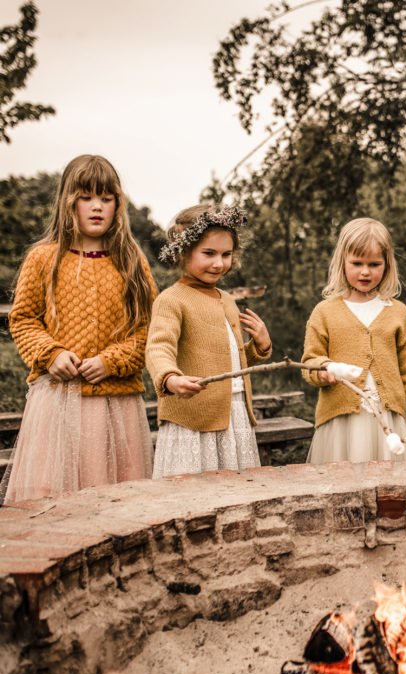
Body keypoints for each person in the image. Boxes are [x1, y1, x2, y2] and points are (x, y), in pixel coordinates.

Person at [2, 154, 157, 504]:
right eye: (86, 198)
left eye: (106, 198)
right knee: (52, 506)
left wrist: (112, 361)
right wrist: (50, 353)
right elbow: (23, 318)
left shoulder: (131, 258)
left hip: (117, 405)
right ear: (67, 202)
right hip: (58, 402)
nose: (97, 207)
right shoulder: (43, 258)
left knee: (118, 504)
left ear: (118, 203)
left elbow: (150, 328)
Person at [146, 205, 273, 477]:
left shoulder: (226, 300)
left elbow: (227, 358)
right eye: (209, 253)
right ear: (182, 251)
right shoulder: (172, 299)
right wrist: (170, 378)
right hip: (193, 419)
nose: (219, 263)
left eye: (226, 255)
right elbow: (159, 347)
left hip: (234, 414)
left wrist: (259, 347)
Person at [301, 217, 406, 462]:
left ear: (387, 265)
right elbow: (310, 362)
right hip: (341, 424)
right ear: (342, 262)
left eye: (374, 264)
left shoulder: (399, 313)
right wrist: (323, 371)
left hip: (389, 422)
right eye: (357, 263)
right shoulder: (324, 312)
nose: (365, 271)